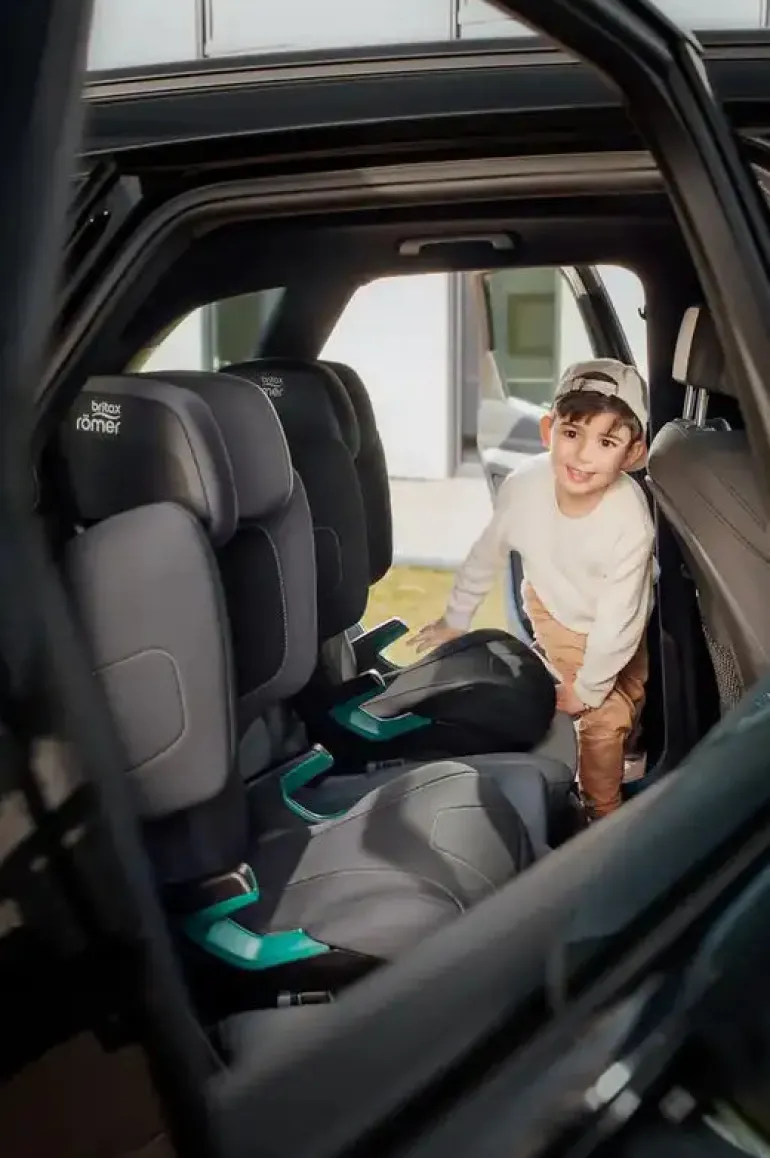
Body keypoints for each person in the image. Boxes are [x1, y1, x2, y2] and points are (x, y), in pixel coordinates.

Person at [411, 359, 655, 820]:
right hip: (553, 606)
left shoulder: (629, 518)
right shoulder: (524, 486)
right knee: (602, 717)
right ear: (548, 430)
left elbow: (620, 620)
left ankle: (618, 749)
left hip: (615, 619)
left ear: (632, 454)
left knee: (628, 696)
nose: (582, 456)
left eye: (606, 442)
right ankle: (600, 811)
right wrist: (455, 619)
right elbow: (487, 552)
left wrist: (591, 685)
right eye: (572, 433)